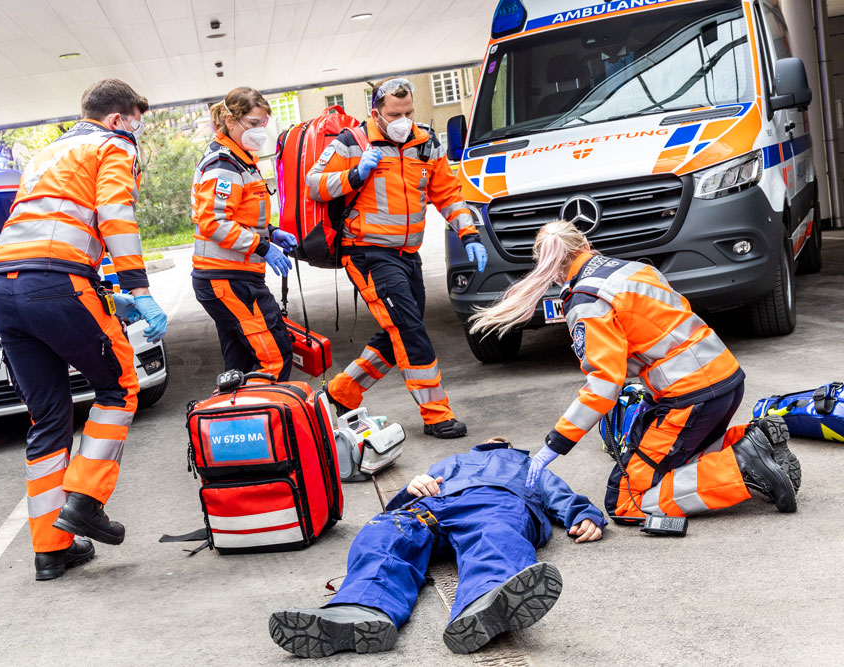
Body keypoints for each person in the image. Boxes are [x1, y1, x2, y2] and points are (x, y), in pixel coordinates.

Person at [470, 220, 801, 522]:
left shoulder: (586, 298)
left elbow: (603, 385)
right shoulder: (630, 269)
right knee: (677, 462)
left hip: (690, 399)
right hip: (725, 380)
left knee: (627, 500)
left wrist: (553, 446)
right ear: (584, 244)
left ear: (551, 267)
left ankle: (745, 468)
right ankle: (752, 441)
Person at [0, 78, 169, 580]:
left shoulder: (46, 154)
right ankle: (85, 501)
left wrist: (110, 292)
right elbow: (114, 214)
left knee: (48, 418)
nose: (137, 133)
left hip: (4, 286)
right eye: (136, 122)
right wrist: (140, 285)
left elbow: (52, 232)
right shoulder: (112, 144)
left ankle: (51, 550)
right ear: (118, 118)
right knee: (119, 388)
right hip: (57, 284)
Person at [269, 437, 605, 658]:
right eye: (488, 442)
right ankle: (361, 607)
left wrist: (584, 515)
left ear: (508, 446)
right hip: (434, 505)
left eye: (499, 442)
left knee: (495, 536)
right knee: (386, 532)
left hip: (494, 503)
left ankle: (485, 599)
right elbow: (411, 493)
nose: (492, 442)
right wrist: (411, 487)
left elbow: (558, 492)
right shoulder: (451, 462)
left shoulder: (527, 464)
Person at [306, 78, 487, 439]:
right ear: (377, 113)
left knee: (396, 333)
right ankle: (437, 414)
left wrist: (469, 233)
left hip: (407, 253)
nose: (404, 120)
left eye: (408, 113)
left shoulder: (425, 143)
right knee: (409, 329)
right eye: (394, 114)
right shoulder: (353, 142)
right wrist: (355, 174)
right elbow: (314, 183)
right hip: (367, 251)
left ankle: (339, 395)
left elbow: (448, 194)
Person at [191, 87, 297, 381]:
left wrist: (272, 234)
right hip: (227, 276)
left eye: (262, 123)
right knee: (274, 355)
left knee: (238, 365)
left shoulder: (240, 160)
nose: (259, 130)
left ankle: (236, 422)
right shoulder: (223, 165)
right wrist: (263, 248)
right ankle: (267, 421)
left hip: (230, 275)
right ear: (229, 120)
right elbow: (213, 221)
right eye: (252, 123)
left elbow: (240, 215)